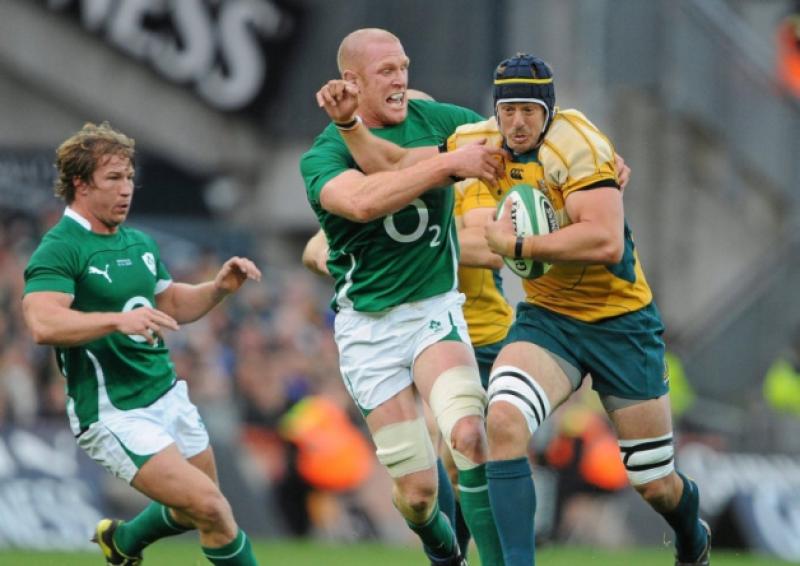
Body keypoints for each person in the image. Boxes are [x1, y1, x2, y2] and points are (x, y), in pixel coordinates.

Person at [472, 53, 710, 566]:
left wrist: (521, 247)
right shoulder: (482, 142)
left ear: (549, 110)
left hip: (619, 323)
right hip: (549, 321)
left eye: (529, 111)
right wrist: (352, 127)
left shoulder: (578, 143)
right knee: (505, 420)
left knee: (653, 483)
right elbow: (422, 137)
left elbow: (605, 240)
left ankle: (692, 533)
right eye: (507, 109)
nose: (516, 122)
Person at [299, 28, 508, 565]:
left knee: (469, 434)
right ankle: (443, 552)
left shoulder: (438, 120)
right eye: (386, 70)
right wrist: (445, 165)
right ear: (351, 81)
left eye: (404, 66)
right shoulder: (321, 157)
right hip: (368, 330)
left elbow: (519, 136)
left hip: (433, 310)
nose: (401, 79)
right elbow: (367, 201)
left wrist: (591, 170)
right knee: (418, 495)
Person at [21, 122, 262, 566]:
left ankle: (124, 543)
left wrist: (218, 288)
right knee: (213, 510)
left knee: (196, 513)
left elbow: (170, 302)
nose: (126, 189)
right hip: (115, 412)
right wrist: (117, 320)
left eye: (129, 177)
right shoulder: (60, 247)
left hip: (167, 394)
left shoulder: (138, 241)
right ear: (80, 183)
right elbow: (42, 322)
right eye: (113, 178)